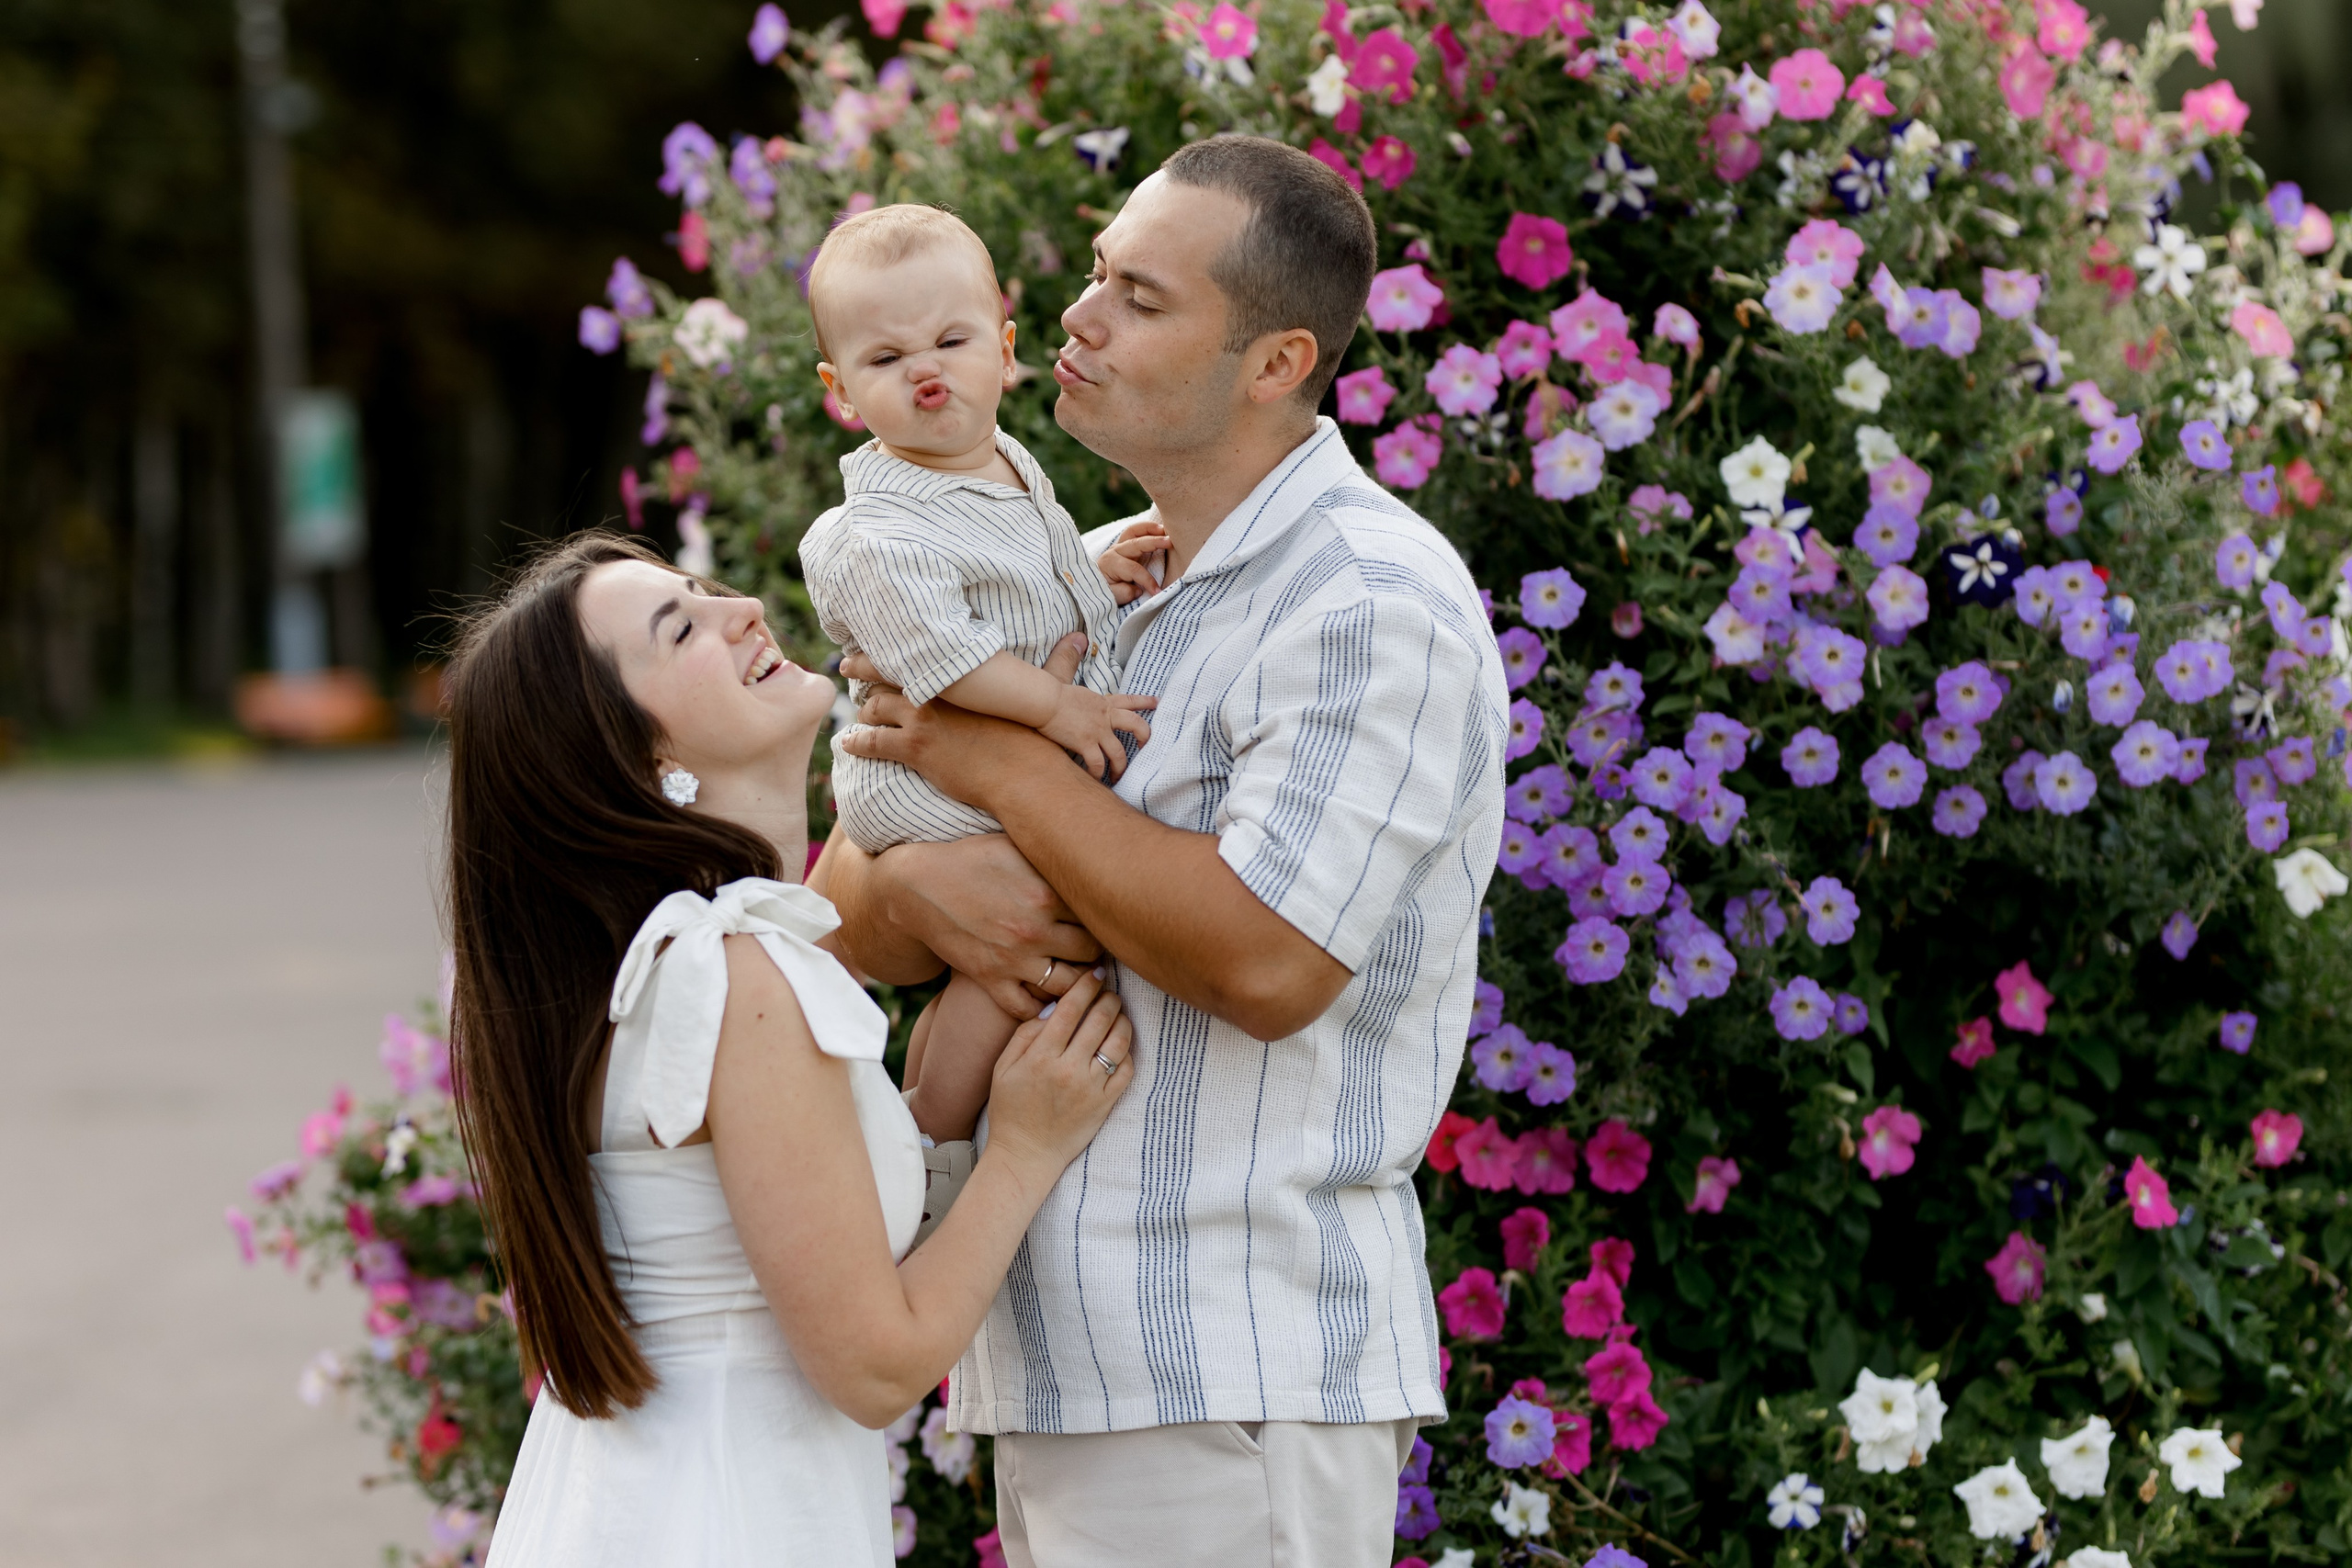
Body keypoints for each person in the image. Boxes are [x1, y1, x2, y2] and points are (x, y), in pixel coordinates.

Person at [823, 134, 1510, 1567]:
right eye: (1090, 277)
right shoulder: (1109, 585)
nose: (1076, 317)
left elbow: (1265, 958)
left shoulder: (1367, 599)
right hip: (1075, 1364)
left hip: (1230, 1366)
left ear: (1274, 362)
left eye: (1139, 297)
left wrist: (994, 755)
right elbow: (848, 916)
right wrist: (930, 866)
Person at [442, 532, 1134, 1567]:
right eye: (684, 628)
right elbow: (873, 1367)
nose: (743, 610)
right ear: (644, 760)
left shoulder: (674, 966)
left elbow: (792, 1225)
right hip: (726, 1516)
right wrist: (1026, 1152)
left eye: (704, 589)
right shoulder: (736, 974)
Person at [799, 201, 1167, 1140]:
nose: (925, 368)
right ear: (841, 392)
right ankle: (934, 1127)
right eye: (885, 360)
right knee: (1026, 906)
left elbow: (1003, 589)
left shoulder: (991, 459)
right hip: (921, 775)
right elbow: (951, 660)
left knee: (993, 948)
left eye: (950, 340)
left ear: (1003, 352)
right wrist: (1059, 711)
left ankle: (919, 1096)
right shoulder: (876, 533)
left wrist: (1088, 568)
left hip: (968, 743)